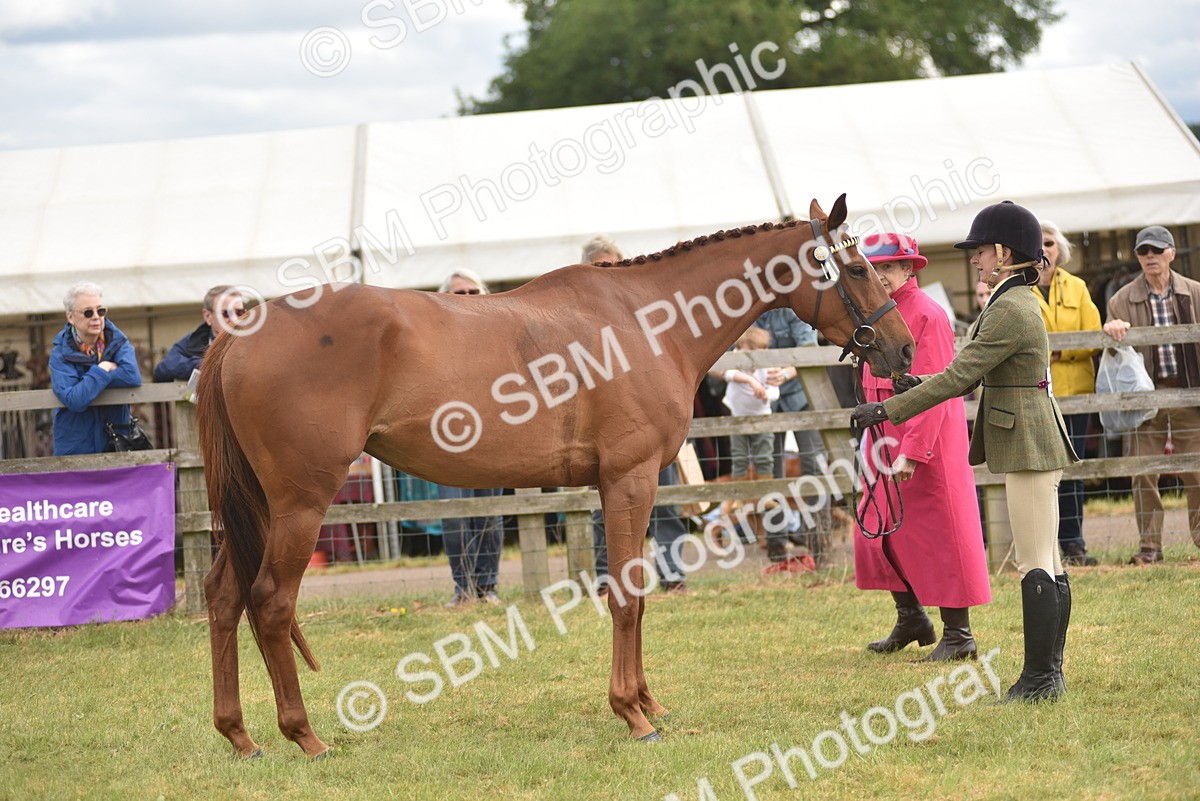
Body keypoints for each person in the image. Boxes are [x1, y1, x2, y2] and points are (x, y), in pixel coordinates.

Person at [851, 201, 1078, 702]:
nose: (974, 260)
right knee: (1047, 560)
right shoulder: (1010, 301)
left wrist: (889, 410)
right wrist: (913, 382)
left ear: (1002, 252)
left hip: (1027, 442)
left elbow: (960, 376)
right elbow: (965, 372)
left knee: (1037, 561)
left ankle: (1042, 677)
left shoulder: (1011, 308)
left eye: (979, 252)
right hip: (1026, 438)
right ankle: (1047, 673)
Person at [853, 233, 991, 661]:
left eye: (889, 267)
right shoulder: (875, 312)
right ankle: (911, 616)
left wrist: (914, 450)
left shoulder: (929, 314)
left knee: (940, 532)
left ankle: (959, 632)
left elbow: (937, 388)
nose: (881, 276)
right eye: (874, 269)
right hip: (881, 433)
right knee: (883, 527)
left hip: (924, 436)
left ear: (910, 268)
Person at [583, 235, 692, 594]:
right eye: (601, 267)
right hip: (612, 426)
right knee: (607, 511)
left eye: (613, 265)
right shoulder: (580, 317)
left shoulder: (642, 312)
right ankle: (606, 580)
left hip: (651, 420)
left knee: (665, 503)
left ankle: (673, 573)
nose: (608, 273)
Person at [1103, 224, 1200, 565]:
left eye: (1157, 250)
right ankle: (1150, 547)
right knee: (1144, 470)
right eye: (1143, 251)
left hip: (1188, 392)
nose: (1150, 257)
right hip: (1145, 398)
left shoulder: (1195, 292)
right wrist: (1112, 328)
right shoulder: (1121, 299)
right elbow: (1111, 348)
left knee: (1197, 467)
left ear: (1171, 253)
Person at [1035, 222, 1101, 567]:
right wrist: (1053, 351)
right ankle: (1045, 547)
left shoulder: (1077, 287)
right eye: (1038, 243)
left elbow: (1092, 337)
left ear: (1060, 249)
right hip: (1037, 397)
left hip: (1075, 394)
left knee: (1072, 473)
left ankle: (1074, 544)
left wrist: (1060, 352)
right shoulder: (1017, 288)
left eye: (1049, 243)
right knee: (1043, 474)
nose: (1044, 249)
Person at [437, 268, 505, 607]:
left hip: (491, 436)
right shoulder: (432, 340)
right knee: (454, 514)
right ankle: (462, 589)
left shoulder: (498, 338)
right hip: (444, 440)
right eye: (459, 293)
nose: (466, 299)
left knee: (489, 513)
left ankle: (487, 586)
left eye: (472, 293)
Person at [755, 307, 832, 566]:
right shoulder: (749, 313)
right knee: (770, 472)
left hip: (802, 398)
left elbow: (809, 345)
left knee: (814, 466)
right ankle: (776, 546)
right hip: (764, 403)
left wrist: (786, 372)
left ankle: (819, 545)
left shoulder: (795, 311)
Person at [49, 281, 143, 455]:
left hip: (117, 442)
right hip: (76, 448)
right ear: (70, 317)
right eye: (87, 312)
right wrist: (103, 369)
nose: (96, 317)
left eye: (101, 311)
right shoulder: (59, 354)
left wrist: (87, 383)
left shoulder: (118, 340)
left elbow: (132, 376)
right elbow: (75, 400)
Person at [153, 285, 246, 382]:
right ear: (208, 316)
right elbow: (163, 369)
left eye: (239, 312)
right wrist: (207, 364)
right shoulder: (192, 342)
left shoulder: (255, 341)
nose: (234, 319)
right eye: (226, 313)